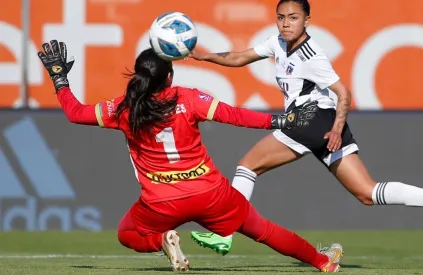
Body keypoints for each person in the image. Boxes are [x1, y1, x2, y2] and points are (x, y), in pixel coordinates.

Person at [37, 39, 345, 272]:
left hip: (161, 202)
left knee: (127, 233)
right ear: (169, 78)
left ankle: (162, 241)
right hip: (210, 193)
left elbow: (75, 113)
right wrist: (280, 121)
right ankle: (322, 262)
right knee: (262, 229)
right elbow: (234, 115)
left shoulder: (123, 108)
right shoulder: (188, 97)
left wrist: (59, 78)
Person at [189, 0, 423, 256]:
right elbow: (239, 58)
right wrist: (206, 57)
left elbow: (344, 92)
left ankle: (225, 232)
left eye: (293, 18)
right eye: (281, 18)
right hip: (324, 124)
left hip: (311, 120)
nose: (286, 24)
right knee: (367, 193)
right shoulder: (278, 43)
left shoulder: (311, 56)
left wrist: (336, 129)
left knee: (248, 166)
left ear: (307, 21)